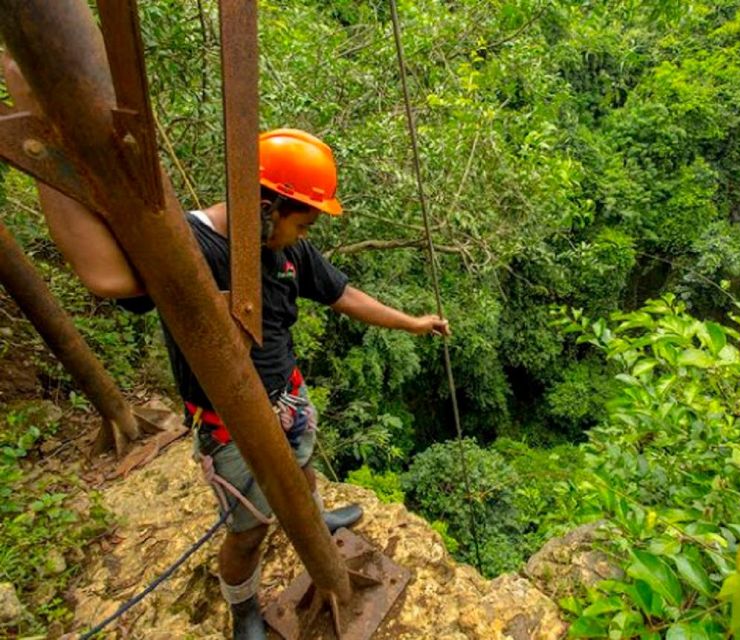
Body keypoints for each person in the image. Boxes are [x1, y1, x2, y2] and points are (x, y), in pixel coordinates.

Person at [3, 58, 449, 640]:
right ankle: (244, 608)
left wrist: (412, 323)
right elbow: (105, 276)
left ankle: (312, 519)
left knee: (305, 468)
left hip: (286, 395)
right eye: (304, 223)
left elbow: (344, 294)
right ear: (267, 208)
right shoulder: (189, 248)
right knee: (247, 531)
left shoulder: (283, 249)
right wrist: (43, 145)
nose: (306, 236)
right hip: (230, 422)